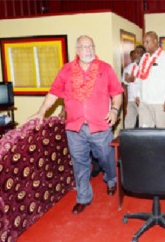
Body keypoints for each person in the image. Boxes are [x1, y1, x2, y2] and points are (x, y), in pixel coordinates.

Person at [28, 35, 124, 215]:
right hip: (75, 128)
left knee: (106, 157)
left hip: (100, 126)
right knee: (79, 163)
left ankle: (111, 179)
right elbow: (54, 93)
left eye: (91, 46)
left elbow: (117, 93)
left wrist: (115, 110)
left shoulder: (105, 69)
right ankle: (83, 198)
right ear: (77, 51)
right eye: (84, 47)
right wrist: (41, 111)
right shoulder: (66, 71)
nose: (88, 50)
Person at [135, 31, 165, 128]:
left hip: (159, 102)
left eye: (147, 42)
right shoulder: (144, 57)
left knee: (161, 132)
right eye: (144, 42)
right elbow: (140, 77)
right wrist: (138, 94)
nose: (145, 45)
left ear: (155, 41)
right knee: (144, 130)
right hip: (144, 101)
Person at [122, 45, 145, 128]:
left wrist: (133, 79)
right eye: (136, 52)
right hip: (131, 100)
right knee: (129, 122)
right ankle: (128, 139)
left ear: (144, 54)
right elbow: (125, 81)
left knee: (144, 123)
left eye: (139, 53)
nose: (136, 55)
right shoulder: (130, 67)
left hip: (143, 100)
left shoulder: (147, 67)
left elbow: (145, 81)